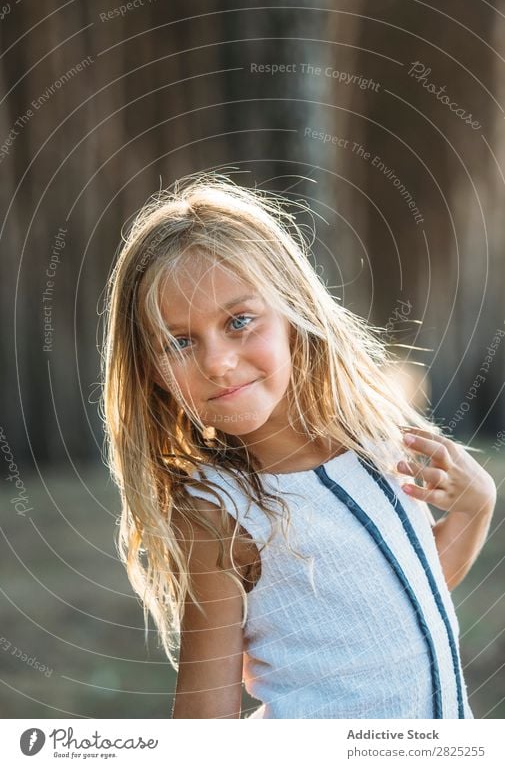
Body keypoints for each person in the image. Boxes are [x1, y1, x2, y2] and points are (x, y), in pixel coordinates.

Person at [101, 170, 496, 719]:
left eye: (239, 321)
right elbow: (203, 723)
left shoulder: (379, 440)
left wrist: (477, 506)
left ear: (292, 312)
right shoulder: (218, 513)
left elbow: (403, 599)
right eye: (179, 341)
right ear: (151, 371)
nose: (217, 361)